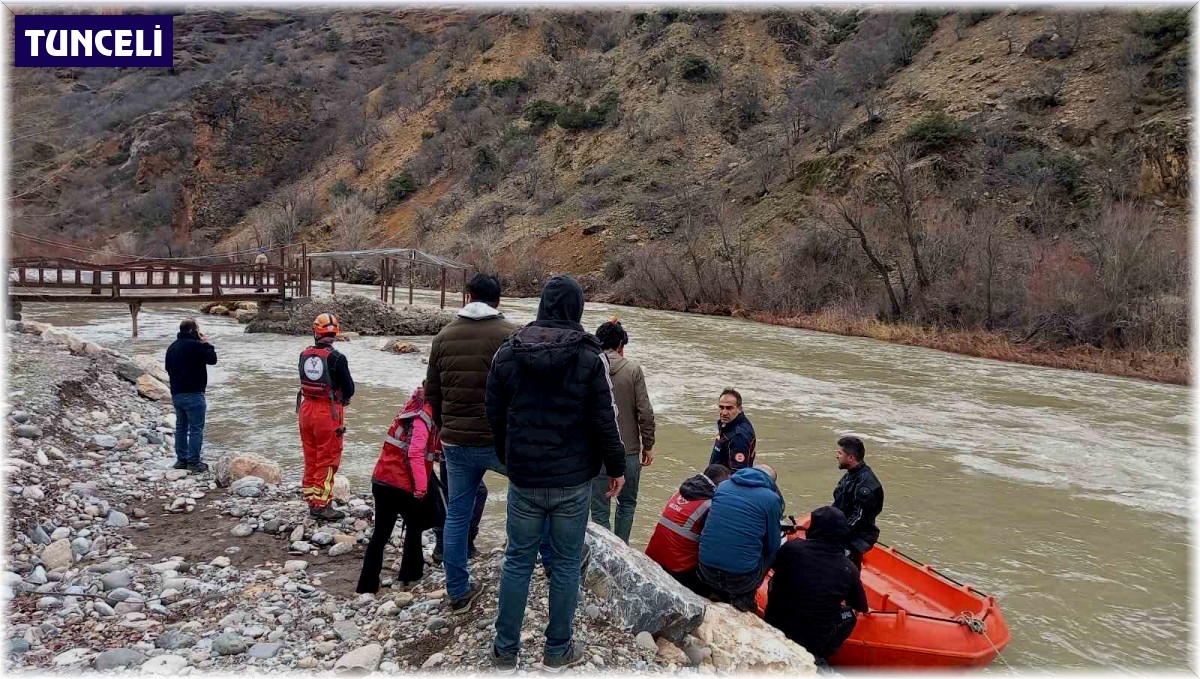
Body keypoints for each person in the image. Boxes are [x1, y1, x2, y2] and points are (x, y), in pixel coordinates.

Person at [485, 275, 626, 672]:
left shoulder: (508, 352)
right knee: (565, 564)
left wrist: (506, 457)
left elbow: (493, 413)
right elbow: (605, 420)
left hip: (525, 477)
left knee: (517, 560)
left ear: (543, 306)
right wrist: (616, 467)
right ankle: (557, 650)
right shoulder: (590, 355)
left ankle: (505, 651)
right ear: (577, 309)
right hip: (572, 480)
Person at [425, 273, 516, 612]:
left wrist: (445, 426)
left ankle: (458, 590)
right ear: (498, 300)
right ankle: (527, 573)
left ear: (467, 296)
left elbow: (431, 391)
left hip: (455, 441)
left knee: (457, 514)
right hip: (501, 440)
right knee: (524, 503)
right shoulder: (510, 336)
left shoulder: (444, 336)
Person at [356, 385, 440, 594]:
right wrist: (421, 488)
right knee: (414, 527)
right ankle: (410, 575)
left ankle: (367, 585)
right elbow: (414, 453)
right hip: (403, 484)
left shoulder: (411, 407)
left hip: (383, 479)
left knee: (380, 534)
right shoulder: (425, 416)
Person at [765, 506, 868, 666]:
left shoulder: (791, 548)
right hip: (812, 641)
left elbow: (773, 567)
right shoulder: (848, 568)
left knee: (774, 581)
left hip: (776, 625)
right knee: (850, 615)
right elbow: (861, 606)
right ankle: (821, 656)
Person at [589, 318, 655, 544]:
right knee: (626, 504)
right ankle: (623, 550)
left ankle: (602, 555)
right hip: (628, 451)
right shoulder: (633, 370)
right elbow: (644, 411)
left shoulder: (590, 365)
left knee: (598, 509)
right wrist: (648, 445)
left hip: (596, 451)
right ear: (621, 346)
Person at [697, 464, 783, 611]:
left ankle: (716, 592)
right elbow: (772, 546)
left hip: (706, 569)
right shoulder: (771, 499)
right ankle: (744, 599)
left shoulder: (723, 486)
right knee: (774, 552)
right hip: (741, 579)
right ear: (771, 482)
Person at [297, 313, 355, 521]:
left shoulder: (304, 354)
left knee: (311, 455)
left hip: (306, 409)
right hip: (327, 413)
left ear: (316, 331)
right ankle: (322, 505)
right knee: (328, 458)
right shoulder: (337, 358)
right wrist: (345, 399)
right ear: (335, 332)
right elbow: (349, 388)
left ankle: (311, 498)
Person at [645, 464, 731, 595]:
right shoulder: (709, 506)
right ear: (719, 485)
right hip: (678, 570)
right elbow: (716, 545)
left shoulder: (681, 491)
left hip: (651, 558)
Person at [164, 319, 217, 474]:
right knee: (196, 428)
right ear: (193, 331)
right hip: (194, 392)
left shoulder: (172, 347)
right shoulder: (195, 346)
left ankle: (181, 460)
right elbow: (212, 359)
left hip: (177, 393)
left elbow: (168, 368)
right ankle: (194, 462)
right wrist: (206, 343)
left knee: (181, 428)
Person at [831, 436, 884, 570]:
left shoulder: (864, 485)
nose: (837, 456)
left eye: (840, 453)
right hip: (844, 531)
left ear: (851, 457)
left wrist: (836, 532)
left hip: (854, 538)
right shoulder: (851, 474)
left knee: (848, 570)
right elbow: (840, 502)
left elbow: (858, 518)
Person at [709, 388, 756, 470]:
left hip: (722, 481)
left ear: (739, 409)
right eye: (721, 407)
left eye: (729, 408)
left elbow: (738, 473)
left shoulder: (738, 436)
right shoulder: (728, 424)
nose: (724, 413)